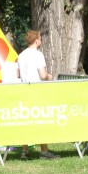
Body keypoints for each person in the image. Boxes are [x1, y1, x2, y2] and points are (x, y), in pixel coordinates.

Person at [17, 30, 59, 160]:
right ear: (36, 41)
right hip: (37, 91)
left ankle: (24, 151)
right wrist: (49, 76)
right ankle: (44, 151)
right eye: (40, 39)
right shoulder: (38, 55)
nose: (41, 41)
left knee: (26, 121)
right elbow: (43, 75)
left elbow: (18, 74)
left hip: (24, 91)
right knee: (41, 120)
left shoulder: (21, 55)